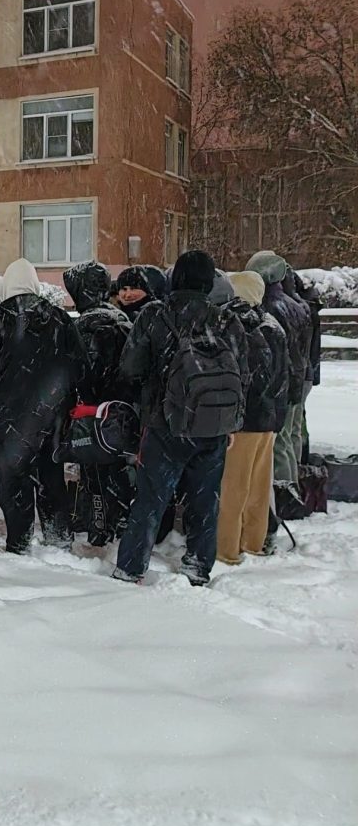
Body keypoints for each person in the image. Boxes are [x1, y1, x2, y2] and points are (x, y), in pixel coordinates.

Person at [113, 251, 248, 585]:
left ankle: (131, 567)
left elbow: (130, 368)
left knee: (150, 500)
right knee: (205, 500)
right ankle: (199, 566)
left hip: (164, 423)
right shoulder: (226, 320)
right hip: (213, 426)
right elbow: (243, 373)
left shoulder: (155, 315)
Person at [0, 259, 85, 553]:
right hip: (52, 416)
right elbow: (79, 367)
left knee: (13, 481)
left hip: (12, 419)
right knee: (51, 477)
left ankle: (19, 540)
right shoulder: (60, 319)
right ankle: (58, 537)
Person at [216, 271, 289, 564]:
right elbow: (284, 377)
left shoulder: (229, 324)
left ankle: (227, 551)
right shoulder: (273, 326)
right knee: (259, 487)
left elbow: (235, 376)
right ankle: (253, 542)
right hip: (268, 420)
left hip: (242, 422)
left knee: (232, 489)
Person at [62, 261, 134, 544]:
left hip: (94, 412)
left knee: (94, 469)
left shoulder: (86, 324)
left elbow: (80, 372)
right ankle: (117, 518)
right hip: (122, 410)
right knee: (117, 469)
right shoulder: (122, 319)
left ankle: (99, 526)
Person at [246, 250, 312, 527]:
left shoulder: (269, 307)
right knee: (291, 435)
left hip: (283, 382)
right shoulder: (296, 304)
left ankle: (284, 494)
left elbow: (274, 350)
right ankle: (291, 485)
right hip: (298, 377)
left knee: (280, 440)